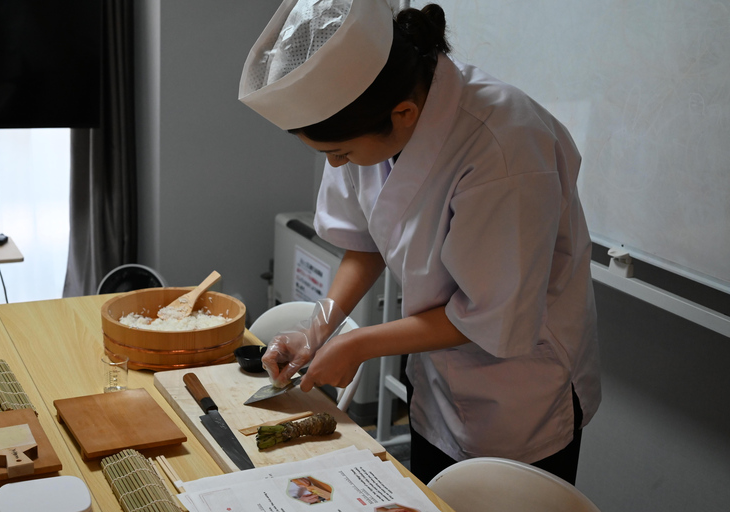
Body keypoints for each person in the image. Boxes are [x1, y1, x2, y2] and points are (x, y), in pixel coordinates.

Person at [239, 0, 601, 485]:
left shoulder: (505, 145)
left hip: (521, 389)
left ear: (404, 112)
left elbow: (491, 313)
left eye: (340, 153)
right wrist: (317, 330)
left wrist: (360, 344)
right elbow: (364, 242)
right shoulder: (372, 116)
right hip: (436, 376)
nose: (337, 165)